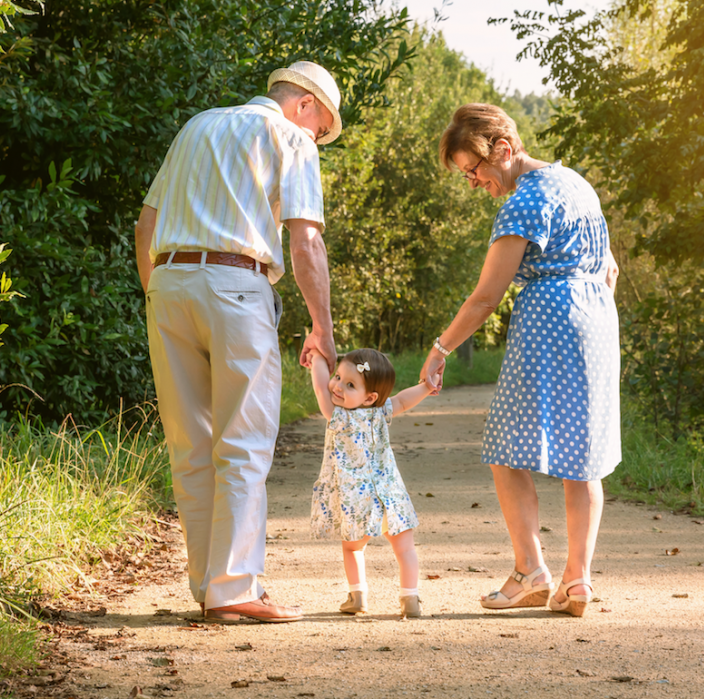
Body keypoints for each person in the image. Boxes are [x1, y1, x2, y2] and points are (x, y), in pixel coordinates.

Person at [134, 61, 343, 624]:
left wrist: (158, 295)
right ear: (304, 105)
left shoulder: (197, 125)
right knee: (244, 442)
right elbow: (306, 241)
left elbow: (146, 223)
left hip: (169, 283)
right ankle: (233, 589)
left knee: (191, 444)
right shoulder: (289, 137)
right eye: (321, 127)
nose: (317, 137)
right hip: (236, 284)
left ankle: (209, 586)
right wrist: (321, 328)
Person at [420, 103, 621, 618]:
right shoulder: (575, 182)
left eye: (474, 170)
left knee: (506, 448)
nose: (473, 182)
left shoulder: (522, 203)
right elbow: (611, 269)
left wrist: (440, 350)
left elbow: (487, 296)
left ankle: (530, 571)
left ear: (504, 150)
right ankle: (577, 581)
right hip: (597, 320)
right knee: (584, 456)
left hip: (548, 321)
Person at [307, 348, 440, 618]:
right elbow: (402, 400)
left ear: (370, 397)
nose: (337, 386)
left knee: (353, 547)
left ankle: (358, 596)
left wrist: (317, 358)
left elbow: (321, 390)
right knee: (405, 547)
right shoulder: (380, 411)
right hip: (390, 492)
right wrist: (426, 387)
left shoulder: (339, 416)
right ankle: (410, 598)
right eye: (337, 377)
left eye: (350, 384)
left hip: (357, 500)